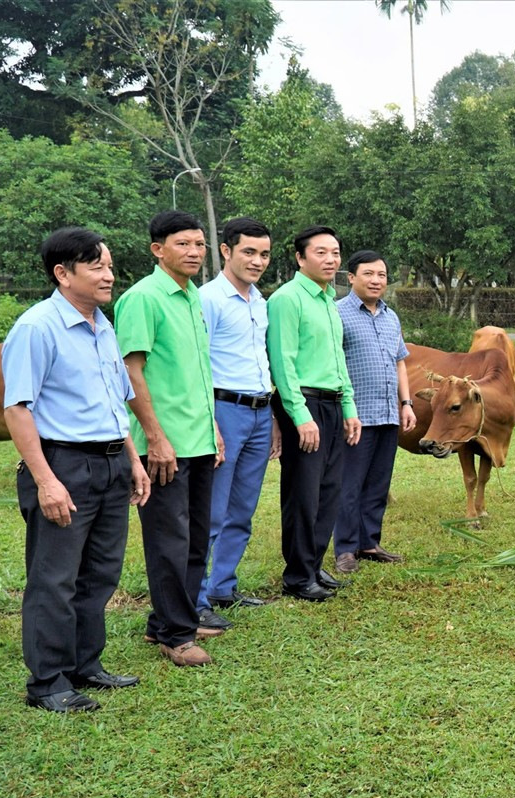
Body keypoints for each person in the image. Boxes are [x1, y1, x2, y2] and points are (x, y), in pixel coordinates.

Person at [3, 227, 150, 711]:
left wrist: (133, 460)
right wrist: (46, 480)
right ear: (62, 274)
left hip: (110, 463)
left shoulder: (101, 324)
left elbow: (115, 401)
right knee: (55, 577)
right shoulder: (36, 327)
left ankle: (86, 664)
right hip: (63, 463)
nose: (109, 275)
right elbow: (18, 410)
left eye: (109, 265)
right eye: (97, 267)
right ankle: (48, 682)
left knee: (100, 573)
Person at [116, 210, 222, 666]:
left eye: (199, 244)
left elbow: (196, 372)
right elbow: (130, 369)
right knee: (168, 539)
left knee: (196, 537)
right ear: (157, 249)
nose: (194, 252)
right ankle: (176, 636)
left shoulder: (192, 296)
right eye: (183, 244)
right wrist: (155, 437)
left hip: (198, 437)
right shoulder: (143, 298)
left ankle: (169, 619)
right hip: (163, 445)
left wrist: (213, 425)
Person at [268, 225, 361, 602]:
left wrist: (349, 408)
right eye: (320, 252)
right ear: (300, 257)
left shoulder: (328, 300)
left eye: (335, 252)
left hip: (333, 402)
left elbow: (338, 361)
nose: (330, 259)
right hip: (303, 403)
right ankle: (296, 575)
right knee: (303, 494)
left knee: (328, 492)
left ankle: (313, 565)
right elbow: (283, 361)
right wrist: (299, 414)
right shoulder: (287, 299)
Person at [197, 218, 280, 631]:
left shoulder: (259, 300)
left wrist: (274, 416)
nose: (258, 261)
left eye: (264, 254)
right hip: (224, 409)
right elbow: (199, 363)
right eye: (249, 252)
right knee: (213, 509)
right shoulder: (207, 299)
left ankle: (222, 586)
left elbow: (262, 360)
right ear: (226, 251)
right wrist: (209, 420)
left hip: (260, 411)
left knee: (242, 508)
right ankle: (194, 599)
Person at [333, 250, 416, 573]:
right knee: (350, 483)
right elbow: (333, 364)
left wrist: (406, 403)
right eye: (369, 274)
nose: (376, 280)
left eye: (381, 274)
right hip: (356, 415)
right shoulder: (337, 313)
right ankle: (346, 549)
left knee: (378, 483)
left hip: (387, 413)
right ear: (351, 277)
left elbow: (400, 362)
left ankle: (369, 542)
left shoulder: (390, 316)